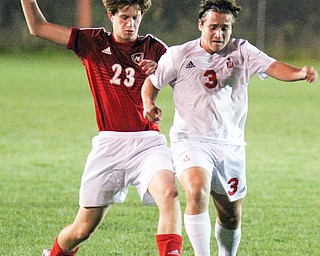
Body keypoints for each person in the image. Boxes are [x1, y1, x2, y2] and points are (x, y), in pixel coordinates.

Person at [141, 0, 318, 255]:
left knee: (231, 215)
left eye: (225, 28)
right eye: (213, 27)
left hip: (229, 144)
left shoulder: (242, 51)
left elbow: (273, 66)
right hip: (190, 139)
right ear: (200, 25)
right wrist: (149, 103)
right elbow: (152, 82)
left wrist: (299, 73)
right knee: (195, 187)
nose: (219, 33)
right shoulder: (179, 55)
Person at [20, 0, 183, 255]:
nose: (131, 24)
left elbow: (186, 82)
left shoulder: (155, 48)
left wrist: (161, 79)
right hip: (109, 146)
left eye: (136, 18)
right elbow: (38, 27)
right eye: (124, 18)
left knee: (169, 193)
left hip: (148, 143)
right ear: (111, 15)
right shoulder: (93, 43)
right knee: (82, 229)